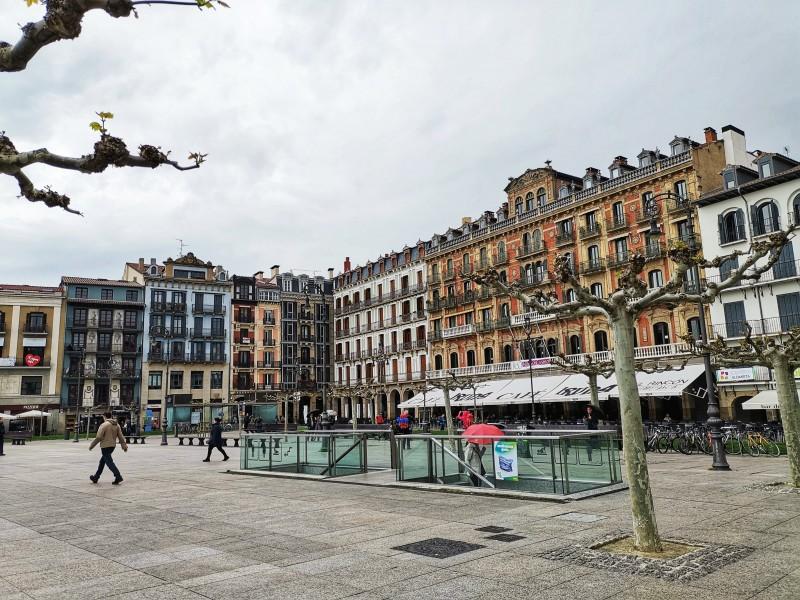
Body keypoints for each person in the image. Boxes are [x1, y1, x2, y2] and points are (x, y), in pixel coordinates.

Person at [89, 411, 128, 484]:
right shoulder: (116, 425)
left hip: (105, 446)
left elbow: (98, 437)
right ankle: (96, 477)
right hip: (112, 446)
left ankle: (118, 476)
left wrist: (92, 445)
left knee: (109, 462)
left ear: (104, 416)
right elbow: (121, 436)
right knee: (102, 461)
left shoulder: (104, 425)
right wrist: (124, 446)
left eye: (103, 417)